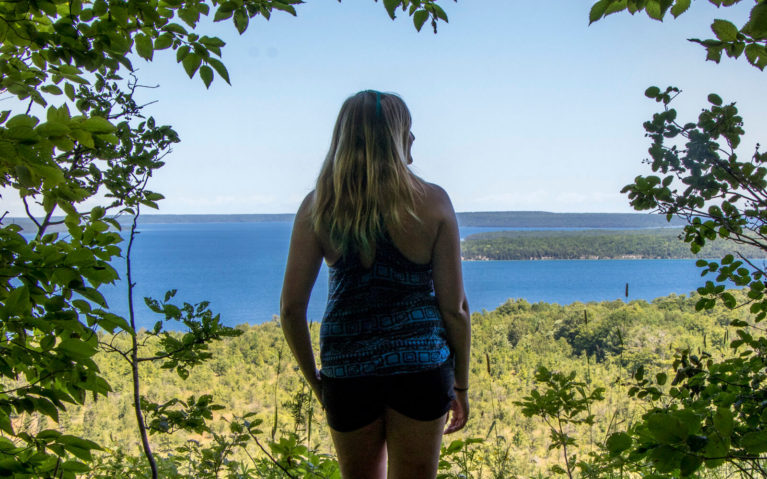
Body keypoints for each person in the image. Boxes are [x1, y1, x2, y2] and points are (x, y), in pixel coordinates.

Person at [280, 90, 471, 479]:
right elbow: (456, 309)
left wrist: (318, 383)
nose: (414, 139)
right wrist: (461, 386)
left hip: (347, 372)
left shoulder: (318, 207)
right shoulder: (433, 203)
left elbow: (290, 309)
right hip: (421, 367)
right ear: (394, 137)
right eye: (409, 131)